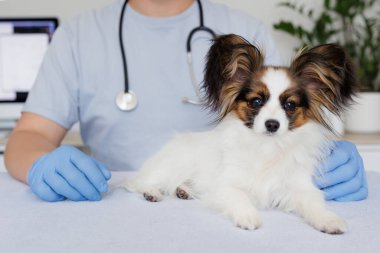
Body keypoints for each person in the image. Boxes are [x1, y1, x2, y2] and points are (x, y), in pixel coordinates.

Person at [4, 0, 367, 202]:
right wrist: (41, 166)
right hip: (110, 208)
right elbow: (27, 137)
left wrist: (327, 160)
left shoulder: (245, 30)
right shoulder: (79, 35)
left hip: (226, 206)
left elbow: (288, 118)